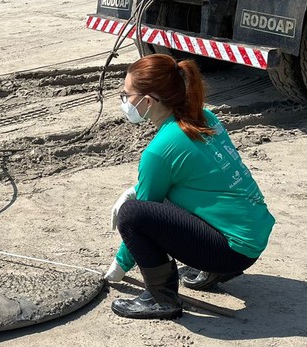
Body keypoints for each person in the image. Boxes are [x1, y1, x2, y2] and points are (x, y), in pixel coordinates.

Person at [104, 54, 275, 320]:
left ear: (148, 101)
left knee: (132, 214)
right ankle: (213, 270)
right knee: (158, 199)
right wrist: (137, 188)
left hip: (233, 249)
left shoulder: (159, 151)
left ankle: (161, 297)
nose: (124, 101)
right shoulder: (203, 116)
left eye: (127, 95)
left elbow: (145, 210)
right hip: (254, 233)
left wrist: (119, 266)